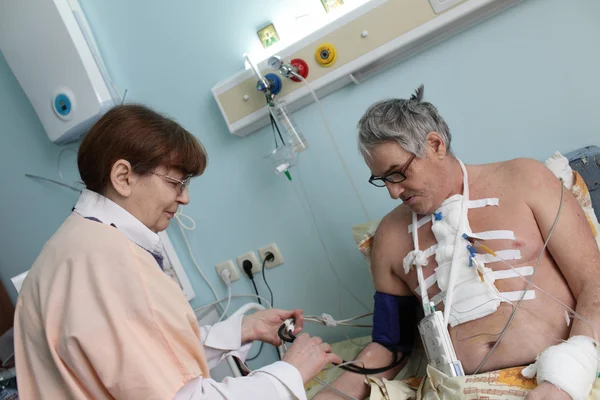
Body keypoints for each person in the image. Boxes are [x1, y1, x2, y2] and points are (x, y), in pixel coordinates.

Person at [13, 104, 342, 400]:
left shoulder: (67, 247)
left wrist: (243, 330)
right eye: (175, 184)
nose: (185, 199)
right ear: (124, 177)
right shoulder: (115, 263)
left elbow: (136, 359)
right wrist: (291, 372)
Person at [315, 86, 600, 400]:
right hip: (454, 391)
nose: (393, 192)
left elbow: (594, 282)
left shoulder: (525, 180)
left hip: (556, 378)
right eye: (382, 179)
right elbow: (389, 346)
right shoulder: (390, 237)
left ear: (435, 145)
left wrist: (565, 379)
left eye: (397, 174)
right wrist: (331, 395)